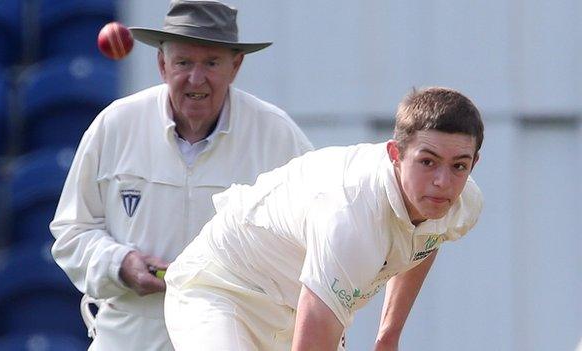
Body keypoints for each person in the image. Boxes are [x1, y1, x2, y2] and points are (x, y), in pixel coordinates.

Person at [49, 1, 313, 350]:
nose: (196, 78)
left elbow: (316, 239)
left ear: (236, 65)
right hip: (129, 335)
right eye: (184, 62)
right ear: (162, 64)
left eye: (211, 63)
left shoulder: (278, 136)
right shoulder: (115, 125)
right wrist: (121, 263)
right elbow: (72, 233)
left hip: (237, 334)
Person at [164, 87, 484, 351]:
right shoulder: (351, 216)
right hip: (223, 290)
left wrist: (389, 334)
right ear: (395, 154)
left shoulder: (460, 202)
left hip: (301, 304)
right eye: (427, 162)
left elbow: (428, 239)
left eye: (459, 165)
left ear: (474, 163)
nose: (443, 182)